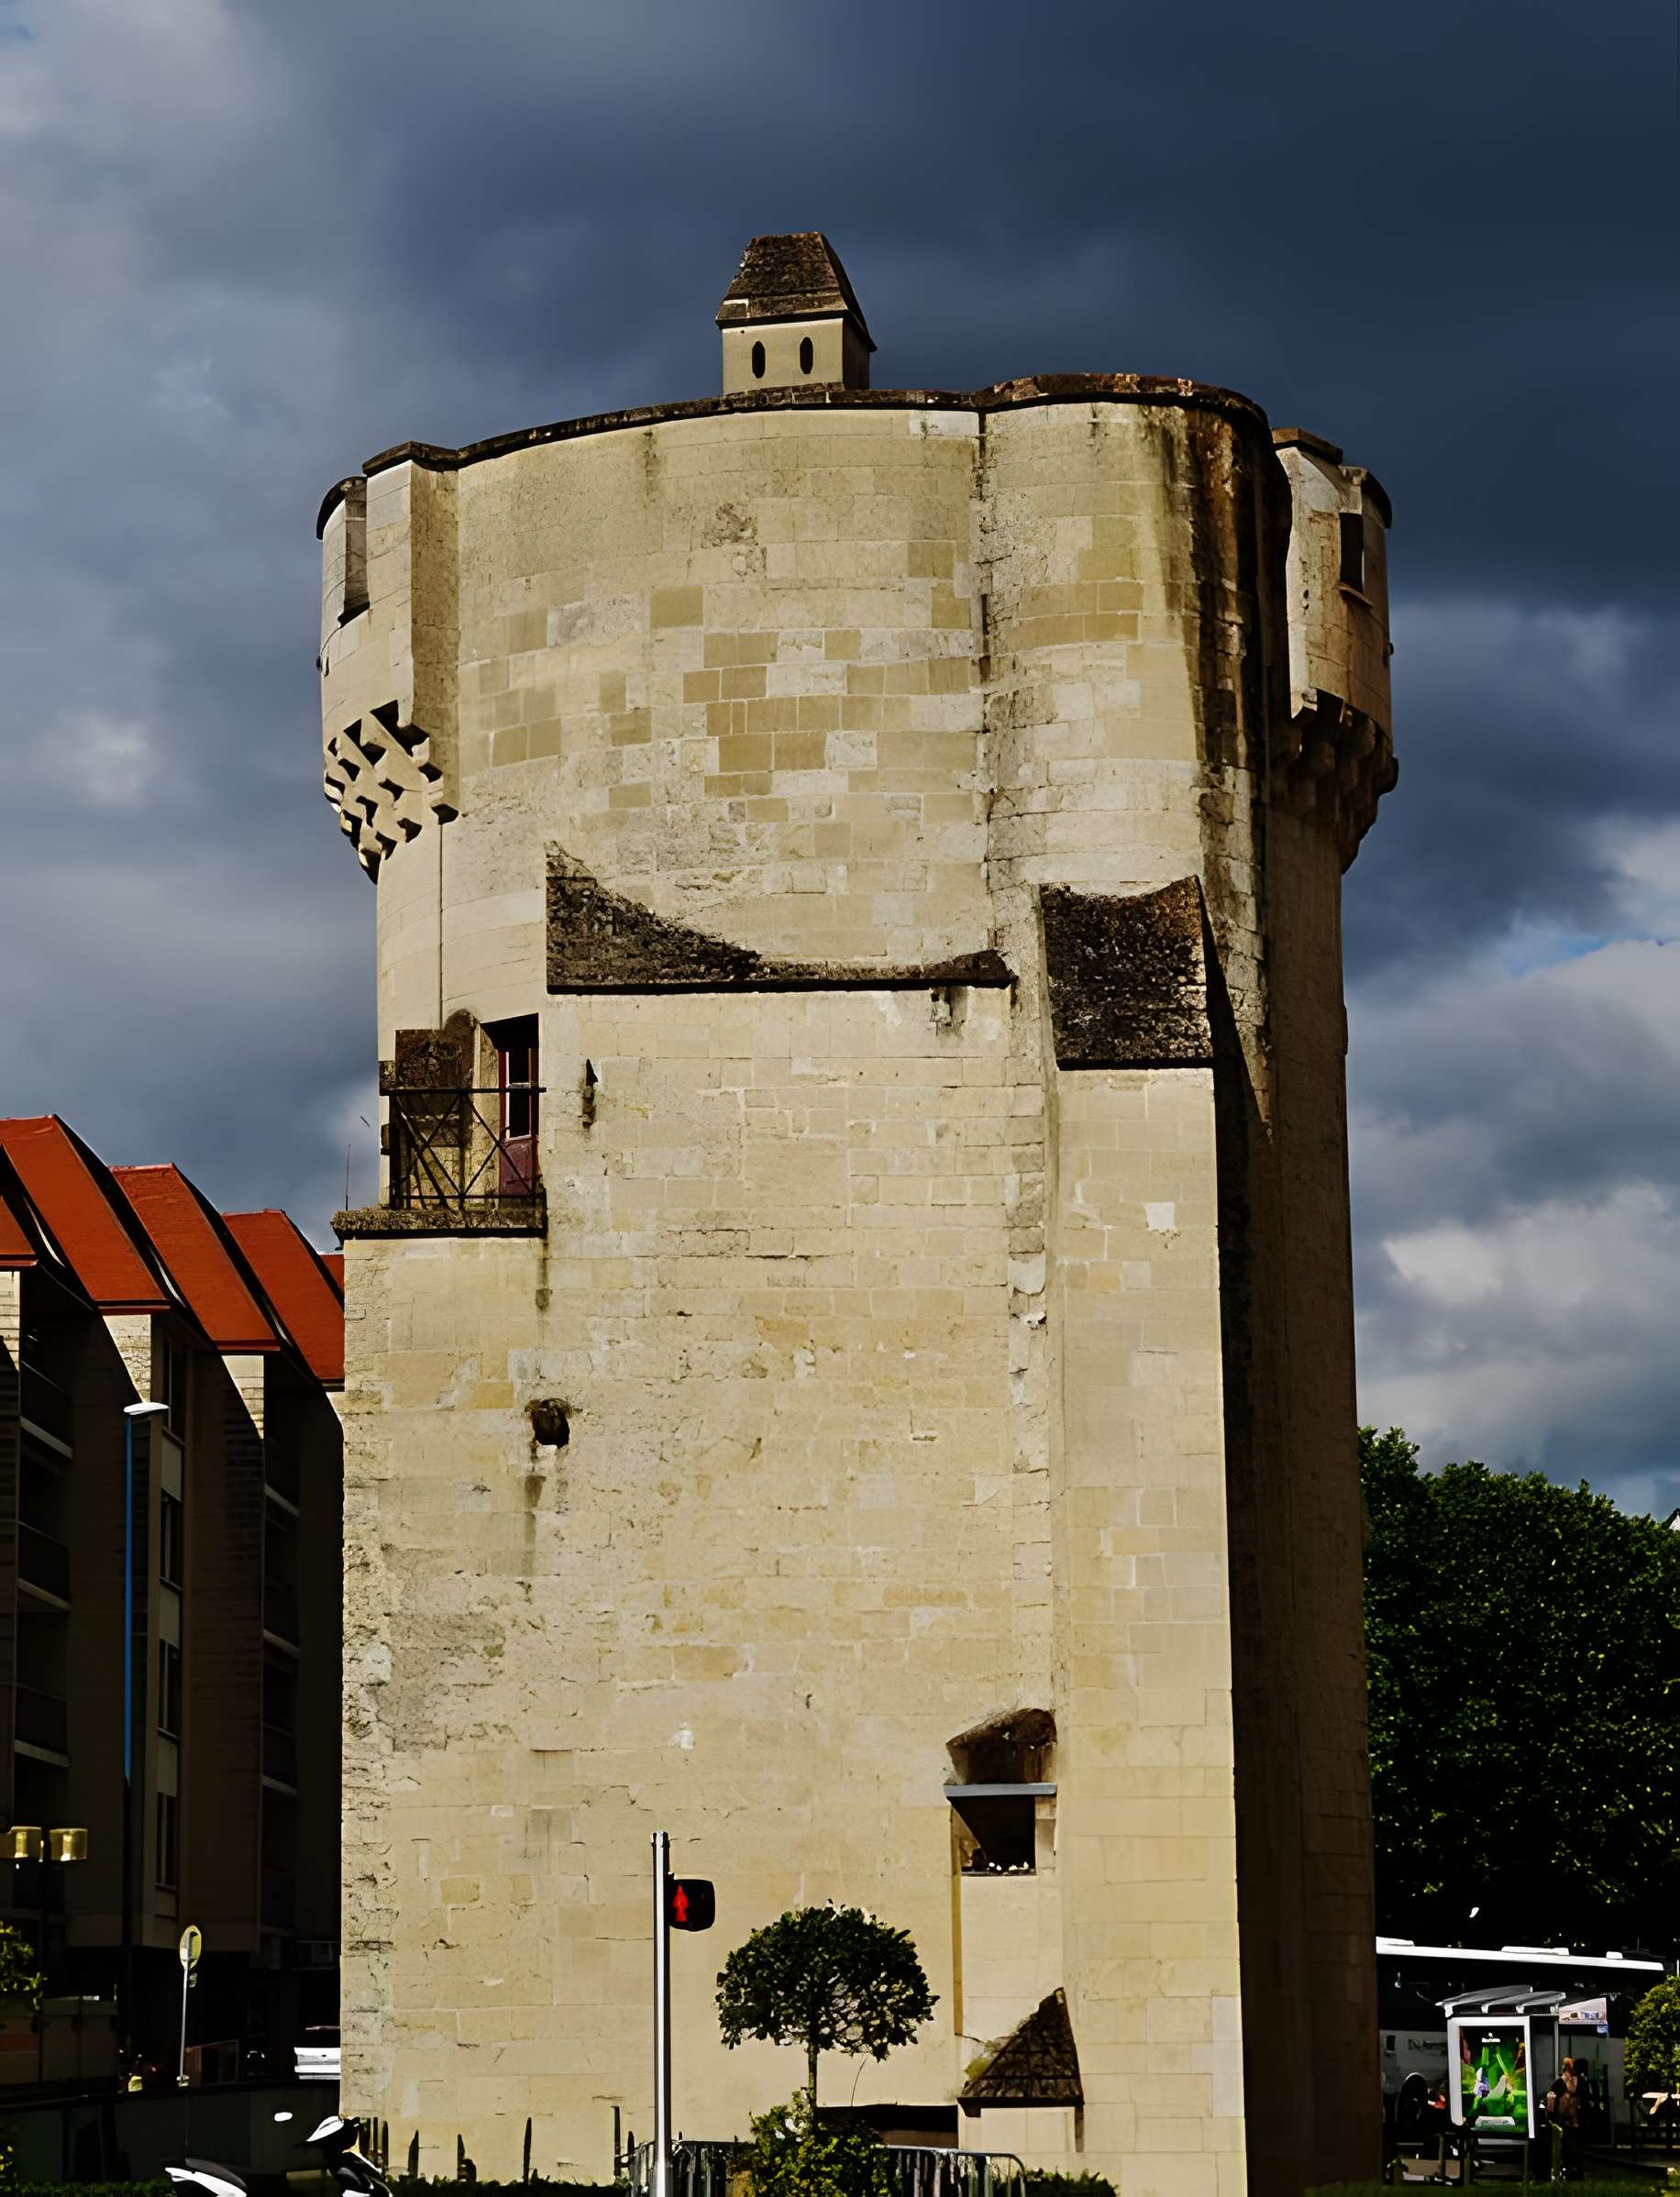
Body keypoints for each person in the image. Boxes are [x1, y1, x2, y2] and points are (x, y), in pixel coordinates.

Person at [1546, 2059, 1586, 2181]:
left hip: (1563, 2120)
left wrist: (1550, 2116)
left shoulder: (1558, 2083)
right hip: (1576, 2119)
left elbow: (1551, 2102)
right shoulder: (1581, 2082)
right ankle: (1574, 2170)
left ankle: (1564, 2169)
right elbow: (1585, 2100)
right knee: (1575, 2146)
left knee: (1564, 2146)